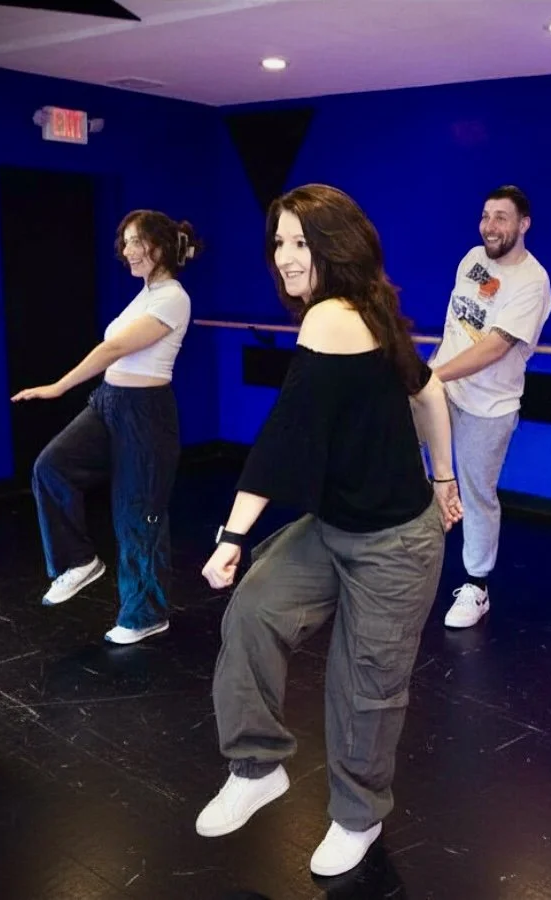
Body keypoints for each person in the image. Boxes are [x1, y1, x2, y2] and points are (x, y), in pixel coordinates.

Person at [195, 184, 462, 878]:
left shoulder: (332, 317)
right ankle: (257, 768)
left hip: (394, 547)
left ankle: (357, 817)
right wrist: (444, 478)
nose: (284, 256)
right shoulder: (370, 308)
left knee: (364, 687)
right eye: (279, 242)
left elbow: (283, 439)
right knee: (255, 610)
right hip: (334, 525)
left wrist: (232, 536)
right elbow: (428, 388)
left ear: (335, 247)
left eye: (301, 242)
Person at [12, 210, 199, 644]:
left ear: (159, 247)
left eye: (136, 242)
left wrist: (58, 387)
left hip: (145, 412)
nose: (127, 251)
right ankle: (77, 561)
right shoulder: (146, 294)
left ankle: (145, 614)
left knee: (138, 512)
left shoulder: (174, 297)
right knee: (51, 466)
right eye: (125, 242)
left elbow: (114, 348)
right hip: (109, 402)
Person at [427, 185, 551, 628]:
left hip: (489, 406)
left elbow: (495, 346)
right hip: (444, 389)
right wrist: (433, 371)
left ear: (523, 224)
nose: (489, 226)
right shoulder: (470, 259)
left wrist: (434, 376)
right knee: (403, 463)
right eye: (485, 216)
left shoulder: (533, 281)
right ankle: (400, 560)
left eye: (501, 217)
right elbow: (456, 324)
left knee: (478, 493)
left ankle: (476, 587)